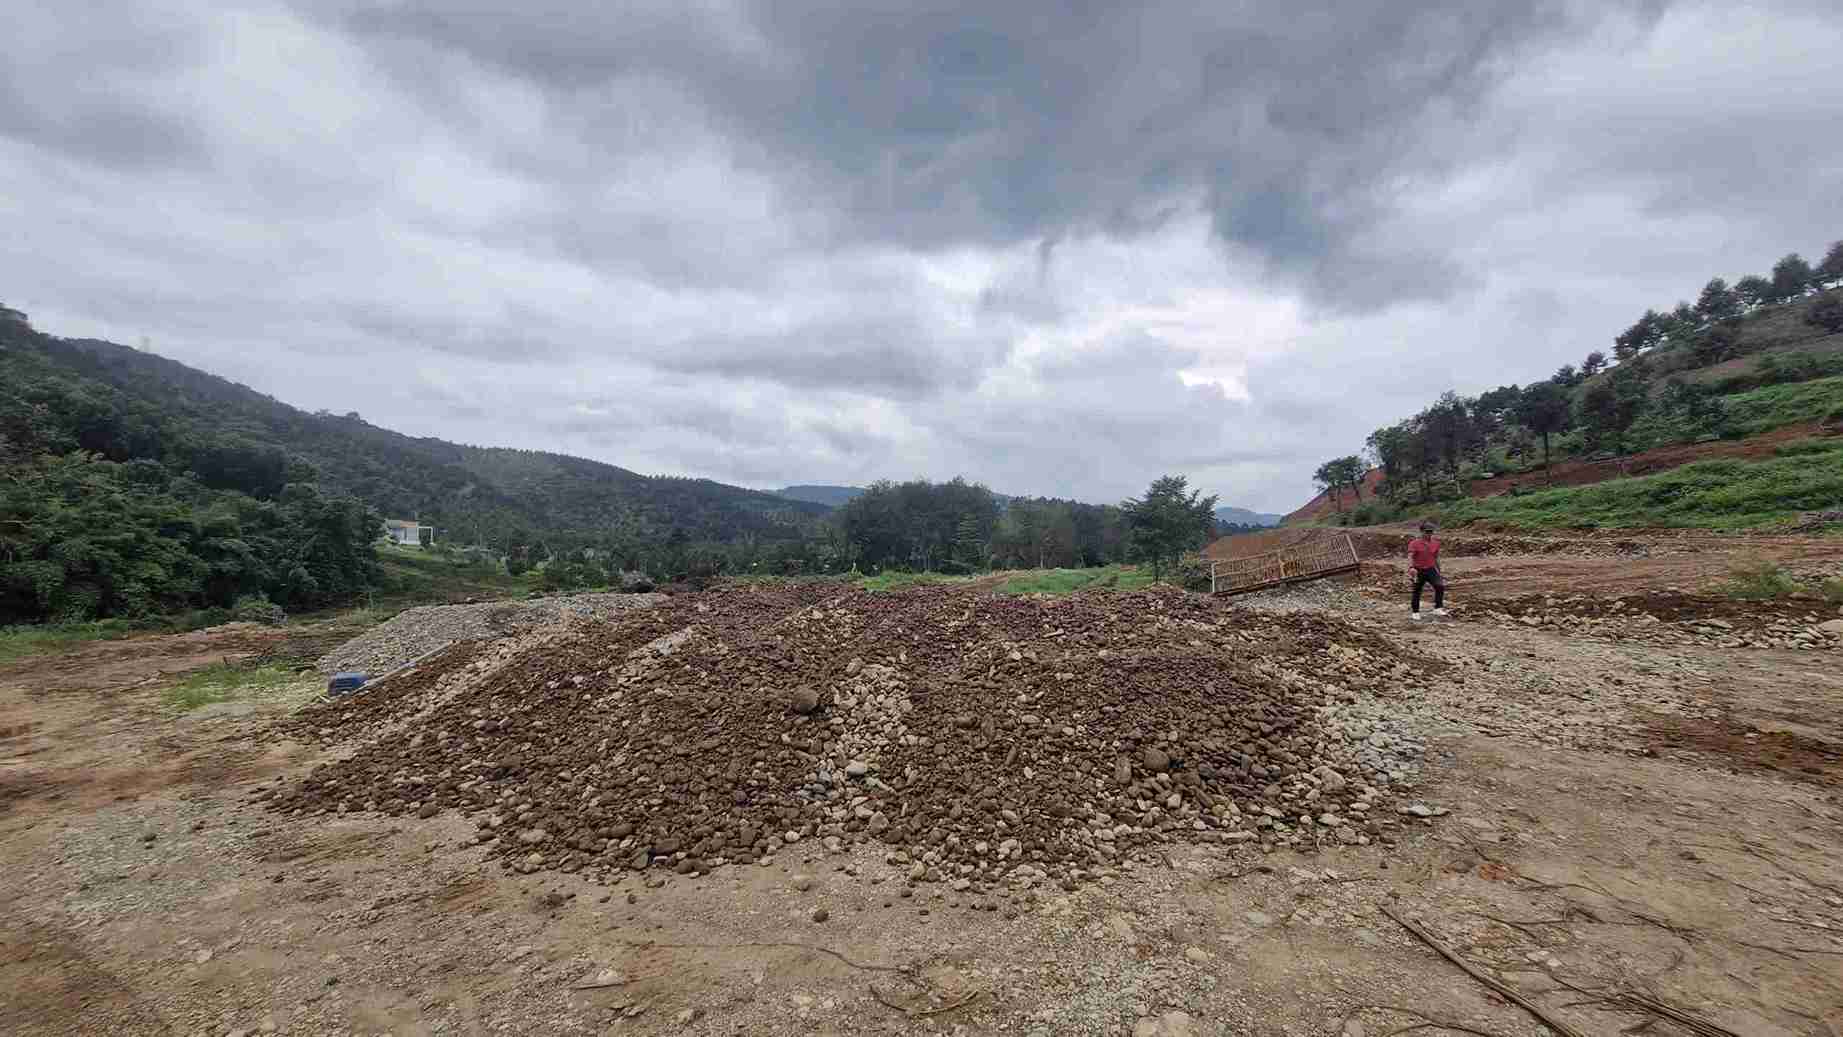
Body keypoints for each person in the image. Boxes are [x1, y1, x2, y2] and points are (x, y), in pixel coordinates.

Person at [1408, 521, 1446, 621]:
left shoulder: (1436, 543)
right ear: (1421, 532)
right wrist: (1411, 567)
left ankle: (1438, 608)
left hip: (1430, 569)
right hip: (1418, 570)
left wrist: (1439, 571)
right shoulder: (1414, 543)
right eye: (1427, 531)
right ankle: (1415, 612)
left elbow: (1436, 557)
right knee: (1417, 590)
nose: (1429, 534)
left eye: (1431, 531)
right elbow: (1410, 556)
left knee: (1440, 586)